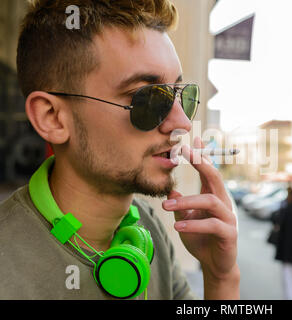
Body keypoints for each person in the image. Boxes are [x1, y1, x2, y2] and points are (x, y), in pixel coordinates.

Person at [0, 0, 239, 300]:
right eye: (148, 98)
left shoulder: (147, 228)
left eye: (182, 96)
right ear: (52, 118)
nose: (181, 123)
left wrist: (220, 275)